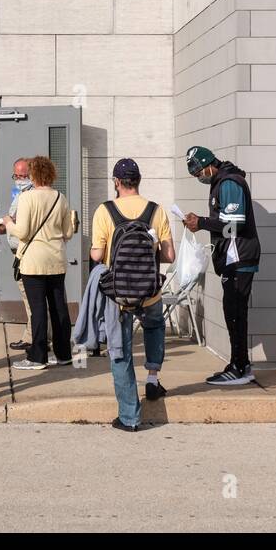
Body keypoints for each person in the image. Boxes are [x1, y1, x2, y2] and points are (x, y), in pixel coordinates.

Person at [91, 158, 175, 432]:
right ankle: (152, 378)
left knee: (121, 351)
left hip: (119, 295)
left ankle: (129, 417)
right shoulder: (156, 210)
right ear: (138, 180)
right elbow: (169, 255)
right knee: (155, 326)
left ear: (116, 182)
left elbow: (96, 255)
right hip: (149, 290)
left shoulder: (106, 210)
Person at [183, 145, 260, 386]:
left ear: (209, 164)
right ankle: (240, 363)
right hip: (232, 258)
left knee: (235, 313)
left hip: (238, 258)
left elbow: (235, 224)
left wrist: (203, 222)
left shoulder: (229, 183)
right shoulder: (221, 182)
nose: (198, 178)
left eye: (199, 172)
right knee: (233, 313)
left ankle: (239, 368)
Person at [6, 156, 77, 371]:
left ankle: (37, 357)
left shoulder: (27, 198)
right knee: (58, 307)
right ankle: (64, 353)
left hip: (33, 261)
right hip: (56, 259)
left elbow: (23, 232)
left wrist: (8, 223)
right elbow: (67, 232)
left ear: (33, 175)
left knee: (37, 309)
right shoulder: (60, 198)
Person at [0, 158, 38, 352]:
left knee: (31, 298)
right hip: (19, 250)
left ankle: (34, 338)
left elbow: (21, 227)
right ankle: (34, 335)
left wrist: (6, 224)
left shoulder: (30, 196)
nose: (19, 179)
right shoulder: (21, 193)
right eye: (16, 176)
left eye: (23, 176)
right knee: (31, 298)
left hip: (26, 252)